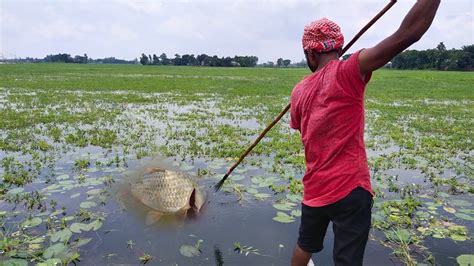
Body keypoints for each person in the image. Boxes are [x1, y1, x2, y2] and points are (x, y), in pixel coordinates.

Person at [290, 1, 440, 265]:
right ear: (339, 47)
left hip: (314, 189)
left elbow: (303, 128)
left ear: (310, 54)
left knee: (305, 246)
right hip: (351, 188)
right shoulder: (348, 71)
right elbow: (408, 35)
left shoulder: (299, 91)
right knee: (347, 260)